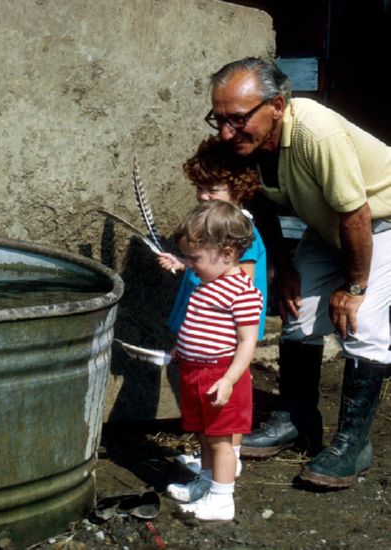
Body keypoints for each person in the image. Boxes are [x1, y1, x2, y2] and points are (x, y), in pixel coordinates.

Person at [207, 56, 391, 489]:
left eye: (237, 119)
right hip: (331, 227)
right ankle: (298, 418)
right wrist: (284, 266)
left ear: (277, 104)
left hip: (380, 222)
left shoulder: (315, 131)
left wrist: (355, 285)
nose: (226, 132)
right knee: (297, 309)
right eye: (219, 120)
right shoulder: (244, 144)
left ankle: (353, 444)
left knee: (361, 320)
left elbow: (357, 212)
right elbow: (259, 206)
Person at [158, 137, 268, 497]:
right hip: (203, 329)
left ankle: (228, 459)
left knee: (225, 408)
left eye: (213, 188)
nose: (204, 195)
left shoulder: (238, 236)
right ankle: (215, 463)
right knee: (207, 410)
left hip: (224, 334)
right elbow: (204, 265)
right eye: (199, 188)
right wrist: (182, 262)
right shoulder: (209, 227)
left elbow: (243, 287)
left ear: (238, 189)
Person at [165, 200, 263, 521]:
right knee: (205, 435)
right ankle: (206, 484)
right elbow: (200, 324)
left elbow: (248, 342)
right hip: (196, 370)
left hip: (221, 375)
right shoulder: (208, 283)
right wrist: (183, 347)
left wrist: (229, 380)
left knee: (221, 440)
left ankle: (222, 499)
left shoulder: (242, 292)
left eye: (194, 258)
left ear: (227, 253)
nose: (189, 264)